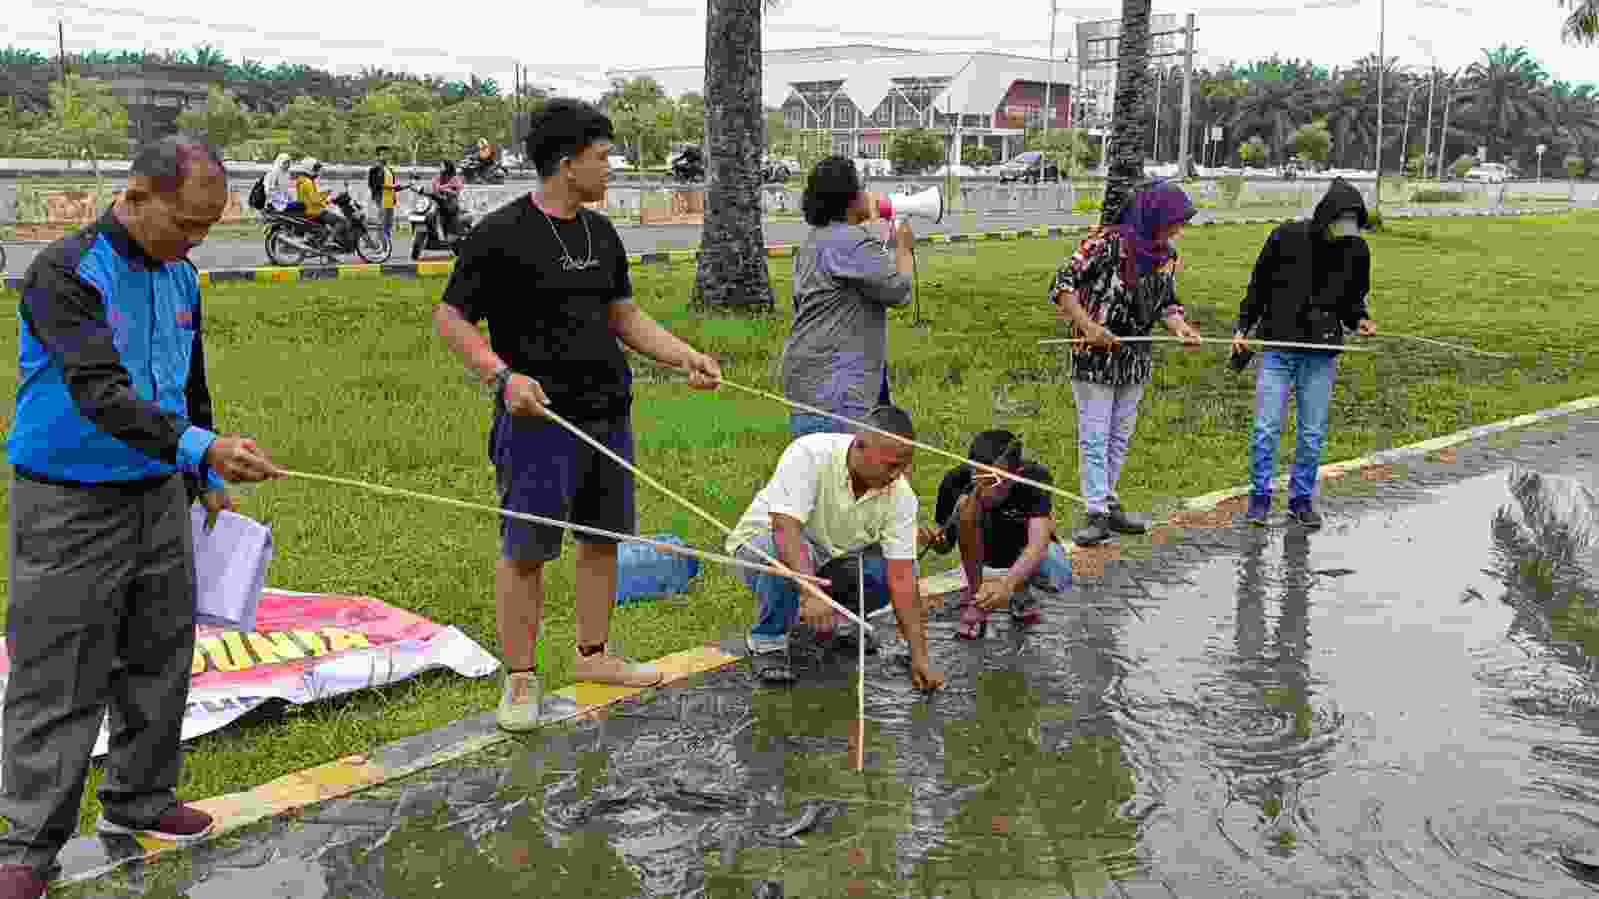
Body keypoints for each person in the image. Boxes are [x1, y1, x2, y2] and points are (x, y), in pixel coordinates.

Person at [0, 136, 283, 899]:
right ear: (137, 195)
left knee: (160, 653)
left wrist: (201, 467)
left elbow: (186, 380)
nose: (193, 242)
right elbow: (99, 391)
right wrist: (204, 446)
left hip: (159, 487)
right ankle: (26, 843)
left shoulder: (181, 272)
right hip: (70, 495)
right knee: (59, 670)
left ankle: (141, 796)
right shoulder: (65, 272)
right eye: (185, 223)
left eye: (205, 228)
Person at [433, 98, 723, 733]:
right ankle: (520, 678)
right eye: (600, 156)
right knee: (528, 549)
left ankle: (594, 656)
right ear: (567, 163)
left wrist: (685, 357)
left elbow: (624, 316)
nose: (609, 167)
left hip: (607, 411)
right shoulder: (500, 234)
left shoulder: (601, 233)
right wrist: (501, 376)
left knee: (602, 539)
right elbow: (450, 318)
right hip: (539, 420)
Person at [726, 405, 943, 690]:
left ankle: (840, 622)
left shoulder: (900, 496)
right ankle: (768, 641)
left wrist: (920, 656)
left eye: (905, 465)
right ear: (860, 446)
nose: (900, 474)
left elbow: (902, 577)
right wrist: (812, 591)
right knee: (778, 551)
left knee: (892, 568)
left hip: (835, 557)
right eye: (892, 465)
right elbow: (785, 529)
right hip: (769, 543)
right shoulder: (810, 453)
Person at [1051, 179, 1203, 547]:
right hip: (1095, 357)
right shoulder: (1106, 244)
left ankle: (1109, 501)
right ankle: (1096, 511)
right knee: (1095, 433)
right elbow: (1061, 285)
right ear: (1154, 215)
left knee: (1119, 435)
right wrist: (1088, 326)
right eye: (1174, 222)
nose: (1178, 230)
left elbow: (1166, 302)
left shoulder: (1166, 257)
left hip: (1134, 358)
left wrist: (1180, 327)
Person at [1231, 177, 1377, 529]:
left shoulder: (1357, 251)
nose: (1348, 228)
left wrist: (1360, 320)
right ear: (1326, 215)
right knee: (1266, 427)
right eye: (1343, 219)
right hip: (1279, 348)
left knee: (1311, 432)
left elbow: (1353, 300)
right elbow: (1258, 285)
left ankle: (1300, 500)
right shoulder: (1286, 237)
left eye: (1354, 222)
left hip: (1320, 353)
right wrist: (1243, 327)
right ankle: (1260, 499)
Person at [779, 155, 913, 439]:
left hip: (806, 382)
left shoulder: (814, 240)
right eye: (863, 187)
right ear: (850, 199)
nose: (869, 195)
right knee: (846, 473)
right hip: (839, 386)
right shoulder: (852, 242)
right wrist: (903, 247)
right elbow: (899, 291)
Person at [922, 430, 1073, 639]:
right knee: (967, 503)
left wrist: (1007, 586)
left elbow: (1038, 544)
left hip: (1021, 549)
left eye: (993, 480)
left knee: (1058, 573)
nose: (984, 488)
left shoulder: (1035, 478)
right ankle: (976, 597)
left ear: (1016, 473)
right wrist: (934, 540)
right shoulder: (955, 481)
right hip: (983, 550)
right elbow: (945, 545)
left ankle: (1020, 592)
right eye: (977, 477)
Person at [290, 157, 346, 245]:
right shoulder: (307, 182)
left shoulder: (303, 180)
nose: (318, 172)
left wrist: (324, 193)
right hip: (314, 211)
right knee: (341, 221)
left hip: (309, 209)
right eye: (315, 168)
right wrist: (327, 200)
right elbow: (314, 200)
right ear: (309, 169)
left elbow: (311, 196)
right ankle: (329, 241)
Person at [367, 147, 397, 241]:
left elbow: (393, 184)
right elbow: (372, 184)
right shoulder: (374, 169)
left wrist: (394, 195)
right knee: (382, 221)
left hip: (389, 198)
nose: (385, 156)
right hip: (380, 197)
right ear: (378, 156)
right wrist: (386, 188)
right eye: (383, 154)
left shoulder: (390, 169)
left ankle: (387, 245)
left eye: (386, 154)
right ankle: (380, 245)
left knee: (389, 222)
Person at [432, 160, 466, 240]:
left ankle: (456, 234)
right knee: (433, 214)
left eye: (442, 165)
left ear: (447, 167)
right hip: (438, 202)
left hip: (451, 204)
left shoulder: (455, 178)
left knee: (452, 217)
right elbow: (434, 187)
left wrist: (444, 189)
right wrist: (447, 187)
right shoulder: (438, 177)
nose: (440, 167)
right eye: (440, 165)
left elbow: (457, 190)